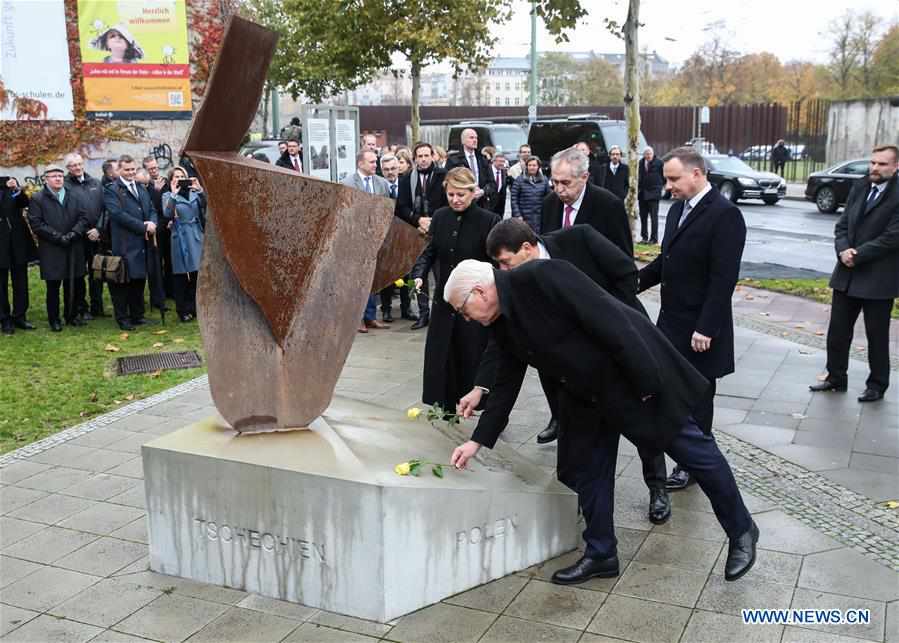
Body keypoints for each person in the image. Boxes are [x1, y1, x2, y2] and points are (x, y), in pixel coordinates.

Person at [446, 259, 759, 585]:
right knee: (591, 470)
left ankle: (741, 529)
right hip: (585, 395)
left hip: (633, 380)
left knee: (694, 452)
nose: (467, 319)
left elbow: (611, 322)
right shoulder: (501, 321)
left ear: (480, 291)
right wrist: (477, 441)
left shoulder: (543, 276)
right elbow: (507, 380)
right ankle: (601, 553)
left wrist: (649, 386)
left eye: (464, 310)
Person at [462, 218, 672, 523]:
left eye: (506, 263)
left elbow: (626, 272)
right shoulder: (518, 281)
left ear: (527, 247)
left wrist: (602, 318)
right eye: (498, 266)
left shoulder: (581, 239)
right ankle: (574, 501)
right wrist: (481, 386)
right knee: (576, 442)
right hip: (567, 373)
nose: (504, 272)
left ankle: (657, 488)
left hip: (619, 352)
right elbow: (503, 341)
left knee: (646, 428)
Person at [639, 146, 746, 490]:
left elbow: (723, 278)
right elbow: (665, 263)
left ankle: (693, 464)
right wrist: (630, 283)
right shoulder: (677, 211)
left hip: (700, 329)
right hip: (670, 323)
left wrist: (706, 327)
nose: (668, 186)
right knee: (669, 392)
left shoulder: (725, 215)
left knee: (698, 397)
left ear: (696, 174)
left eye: (673, 178)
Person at [810, 145, 899, 403]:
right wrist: (842, 251)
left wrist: (856, 254)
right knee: (837, 331)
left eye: (882, 164)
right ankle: (836, 377)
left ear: (895, 167)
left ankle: (877, 385)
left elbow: (892, 237)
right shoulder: (860, 186)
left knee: (877, 335)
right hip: (846, 274)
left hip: (878, 277)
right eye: (872, 163)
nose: (874, 168)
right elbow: (842, 226)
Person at [410, 167, 500, 413]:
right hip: (444, 299)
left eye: (461, 194)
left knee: (472, 351)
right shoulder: (440, 217)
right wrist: (418, 275)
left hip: (474, 301)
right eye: (451, 195)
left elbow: (495, 263)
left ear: (473, 193)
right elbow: (430, 251)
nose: (456, 200)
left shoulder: (488, 221)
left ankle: (481, 405)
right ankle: (445, 403)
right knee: (443, 353)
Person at [540, 147, 633, 258]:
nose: (559, 189)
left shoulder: (609, 205)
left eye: (566, 182)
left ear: (584, 177)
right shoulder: (548, 203)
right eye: (555, 182)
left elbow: (624, 258)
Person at [28, 166, 90, 331]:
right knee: (53, 286)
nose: (58, 179)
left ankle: (71, 315)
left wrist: (73, 234)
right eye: (54, 176)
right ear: (46, 179)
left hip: (73, 245)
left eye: (60, 176)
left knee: (74, 282)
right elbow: (37, 224)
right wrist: (58, 237)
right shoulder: (38, 198)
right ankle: (54, 319)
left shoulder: (73, 195)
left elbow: (84, 217)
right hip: (51, 248)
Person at [103, 154, 159, 331]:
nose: (130, 173)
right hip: (125, 244)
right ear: (119, 170)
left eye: (133, 169)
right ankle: (123, 318)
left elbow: (151, 209)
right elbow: (117, 215)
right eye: (127, 170)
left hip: (143, 244)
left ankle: (138, 315)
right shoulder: (112, 190)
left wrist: (152, 222)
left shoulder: (141, 188)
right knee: (123, 283)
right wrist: (143, 227)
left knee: (139, 281)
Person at [397, 143, 449, 330]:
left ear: (433, 156)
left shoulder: (443, 175)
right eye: (420, 156)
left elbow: (449, 202)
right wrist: (418, 220)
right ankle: (422, 313)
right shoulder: (405, 179)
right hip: (416, 233)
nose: (424, 159)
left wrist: (433, 221)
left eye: (427, 155)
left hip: (439, 232)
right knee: (417, 276)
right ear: (415, 158)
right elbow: (401, 206)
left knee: (442, 275)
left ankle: (442, 313)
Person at [342, 149, 390, 333]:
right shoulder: (348, 183)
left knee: (371, 278)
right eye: (371, 162)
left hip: (375, 238)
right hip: (356, 239)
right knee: (357, 280)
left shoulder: (382, 184)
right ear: (360, 163)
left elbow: (386, 209)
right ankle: (357, 319)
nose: (375, 165)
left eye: (375, 161)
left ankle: (370, 316)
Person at [64, 153, 106, 319]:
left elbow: (105, 209)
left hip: (96, 236)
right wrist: (79, 231)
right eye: (73, 165)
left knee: (97, 272)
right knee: (80, 274)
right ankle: (82, 307)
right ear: (68, 168)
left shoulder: (95, 183)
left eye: (79, 164)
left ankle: (98, 306)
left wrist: (99, 229)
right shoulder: (65, 186)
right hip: (78, 238)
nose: (77, 167)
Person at [162, 167, 206, 322]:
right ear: (171, 179)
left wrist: (200, 190)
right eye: (176, 176)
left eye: (182, 176)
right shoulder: (168, 195)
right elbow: (167, 213)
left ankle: (195, 307)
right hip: (179, 236)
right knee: (181, 276)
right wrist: (174, 194)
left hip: (196, 235)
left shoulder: (194, 193)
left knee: (197, 275)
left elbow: (206, 207)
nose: (179, 179)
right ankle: (182, 309)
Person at [0, 176, 35, 334]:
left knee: (20, 280)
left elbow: (24, 202)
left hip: (17, 241)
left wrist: (16, 189)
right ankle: (4, 319)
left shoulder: (10, 183)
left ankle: (20, 316)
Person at [377, 153, 405, 323]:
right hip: (385, 234)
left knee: (405, 271)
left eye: (393, 168)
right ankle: (386, 309)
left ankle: (406, 307)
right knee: (386, 272)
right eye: (386, 169)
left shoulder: (406, 183)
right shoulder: (379, 185)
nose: (390, 172)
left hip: (403, 233)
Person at [142, 156, 173, 298]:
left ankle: (170, 291)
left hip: (168, 227)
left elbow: (169, 205)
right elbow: (150, 208)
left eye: (155, 167)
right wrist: (156, 191)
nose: (154, 171)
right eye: (151, 169)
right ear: (146, 170)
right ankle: (157, 295)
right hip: (154, 230)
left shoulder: (165, 182)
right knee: (155, 265)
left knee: (170, 261)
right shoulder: (144, 186)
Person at [445, 128, 496, 208]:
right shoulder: (453, 160)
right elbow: (448, 182)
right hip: (462, 202)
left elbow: (492, 184)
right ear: (463, 141)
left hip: (481, 203)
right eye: (471, 138)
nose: (475, 140)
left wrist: (482, 191)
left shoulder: (483, 159)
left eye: (476, 138)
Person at [509, 155, 549, 233]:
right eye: (529, 165)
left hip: (539, 217)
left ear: (538, 167)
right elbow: (514, 199)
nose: (532, 167)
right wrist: (518, 215)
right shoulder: (519, 180)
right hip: (523, 217)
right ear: (526, 166)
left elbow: (548, 197)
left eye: (534, 165)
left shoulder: (544, 180)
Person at [637, 147, 665, 244]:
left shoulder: (659, 163)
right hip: (642, 194)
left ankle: (654, 238)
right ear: (644, 155)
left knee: (654, 217)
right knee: (643, 217)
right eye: (646, 154)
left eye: (649, 154)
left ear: (653, 154)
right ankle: (644, 237)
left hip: (654, 193)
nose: (648, 156)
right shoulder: (641, 162)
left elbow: (663, 176)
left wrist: (659, 187)